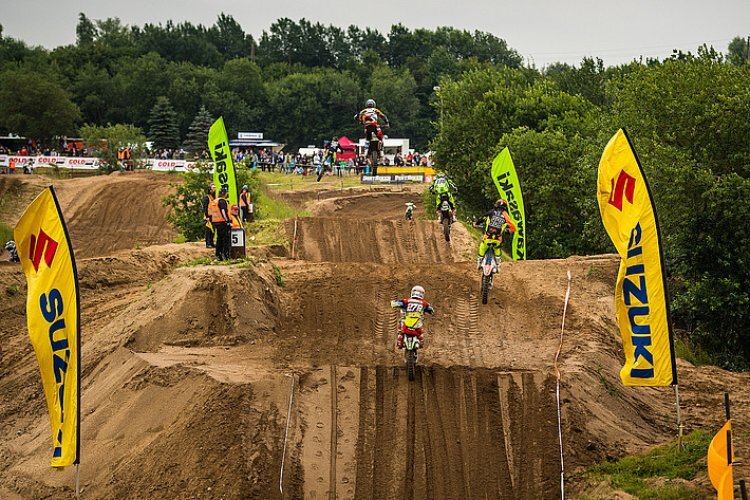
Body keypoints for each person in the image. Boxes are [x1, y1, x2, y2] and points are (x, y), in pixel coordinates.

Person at [474, 199, 517, 271]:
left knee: (482, 246)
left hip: (487, 237)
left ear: (496, 204)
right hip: (498, 239)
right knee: (497, 249)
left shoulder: (492, 211)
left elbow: (482, 218)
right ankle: (498, 265)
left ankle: (479, 262)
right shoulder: (506, 215)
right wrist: (507, 231)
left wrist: (476, 223)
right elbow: (513, 227)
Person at [390, 285, 434, 349]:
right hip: (417, 324)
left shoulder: (407, 301)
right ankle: (420, 343)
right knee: (420, 333)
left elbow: (395, 304)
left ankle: (400, 342)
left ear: (413, 292)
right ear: (422, 294)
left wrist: (393, 302)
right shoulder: (424, 303)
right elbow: (431, 311)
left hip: (407, 323)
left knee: (401, 325)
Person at [208, 186, 231, 260]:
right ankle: (226, 255)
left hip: (216, 222)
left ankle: (218, 255)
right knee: (225, 239)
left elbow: (210, 212)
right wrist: (227, 220)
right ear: (225, 194)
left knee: (219, 239)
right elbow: (223, 211)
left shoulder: (215, 201)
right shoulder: (222, 201)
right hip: (223, 222)